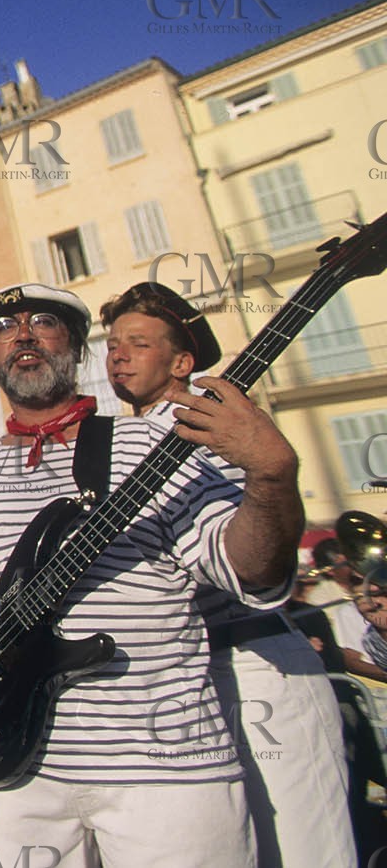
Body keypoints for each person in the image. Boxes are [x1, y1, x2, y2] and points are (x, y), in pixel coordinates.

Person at [0, 282, 304, 867]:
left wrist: (271, 478)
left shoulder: (156, 441)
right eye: (2, 329)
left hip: (166, 772)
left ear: (76, 349)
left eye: (44, 321)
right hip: (12, 766)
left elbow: (248, 570)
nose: (22, 335)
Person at [100, 280, 352, 867]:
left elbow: (260, 555)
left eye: (137, 342)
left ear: (182, 361)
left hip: (254, 659)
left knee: (304, 852)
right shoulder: (115, 442)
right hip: (181, 681)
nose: (117, 353)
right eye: (113, 343)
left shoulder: (217, 425)